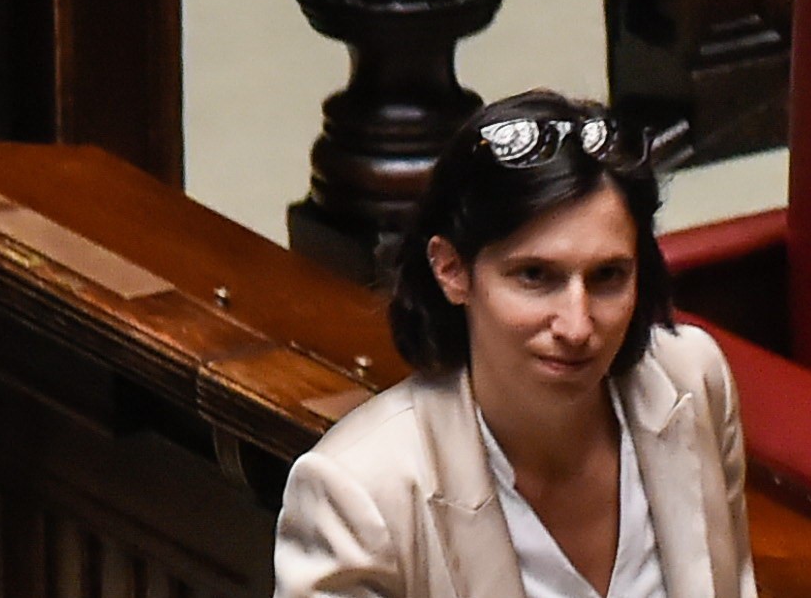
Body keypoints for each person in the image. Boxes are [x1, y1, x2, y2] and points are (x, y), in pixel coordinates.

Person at [273, 90, 755, 598]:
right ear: (451, 269)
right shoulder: (358, 493)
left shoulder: (692, 378)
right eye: (535, 276)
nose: (576, 326)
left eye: (608, 275)